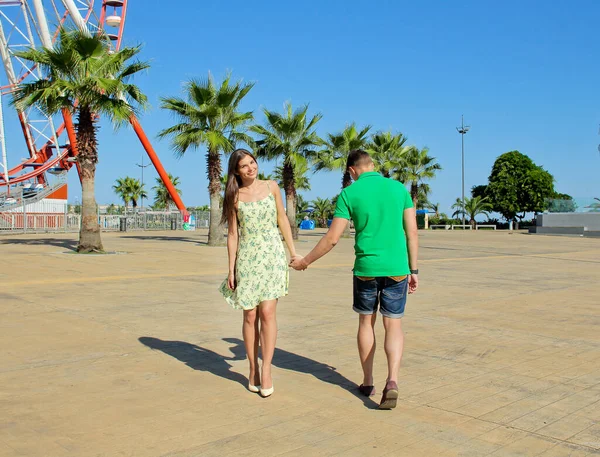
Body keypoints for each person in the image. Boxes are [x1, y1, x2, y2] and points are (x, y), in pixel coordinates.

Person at [290, 149, 418, 409]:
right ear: (373, 165)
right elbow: (412, 233)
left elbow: (332, 238)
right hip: (397, 269)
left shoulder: (349, 193)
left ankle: (368, 380)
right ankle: (392, 380)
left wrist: (305, 262)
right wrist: (413, 271)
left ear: (352, 170)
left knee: (365, 323)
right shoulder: (399, 189)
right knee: (393, 325)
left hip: (366, 269)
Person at [219, 148, 300, 398]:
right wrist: (231, 269)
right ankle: (252, 367)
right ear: (236, 171)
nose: (251, 168)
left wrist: (292, 252)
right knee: (250, 314)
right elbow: (233, 234)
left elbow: (282, 219)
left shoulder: (272, 186)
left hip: (272, 255)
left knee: (267, 312)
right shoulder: (234, 196)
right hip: (248, 257)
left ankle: (267, 369)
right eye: (244, 166)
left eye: (252, 162)